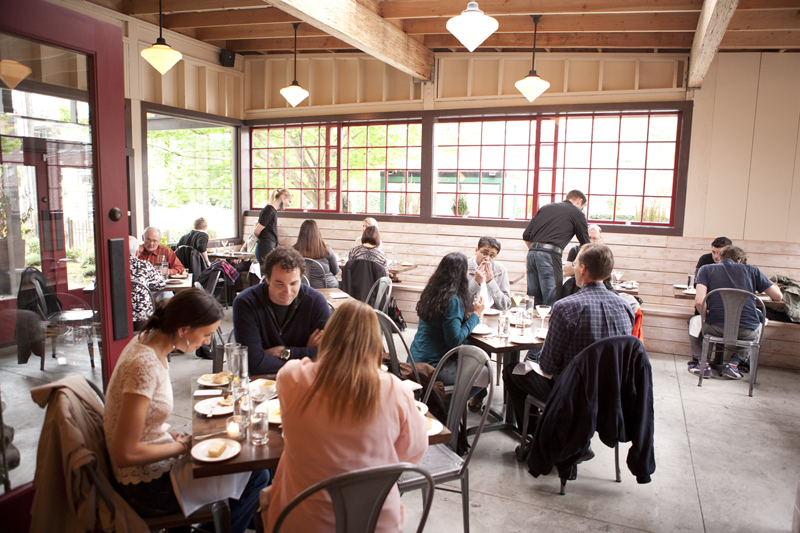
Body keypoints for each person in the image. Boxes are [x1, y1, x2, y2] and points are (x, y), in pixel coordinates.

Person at [103, 289, 269, 533]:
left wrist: (171, 438)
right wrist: (184, 447)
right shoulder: (143, 365)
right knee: (258, 476)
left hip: (155, 466)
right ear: (183, 330)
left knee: (237, 456)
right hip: (146, 490)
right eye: (206, 335)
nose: (206, 342)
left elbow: (145, 423)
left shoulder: (147, 341)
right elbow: (124, 454)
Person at [260, 300, 428, 532]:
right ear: (374, 345)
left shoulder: (292, 377)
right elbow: (412, 453)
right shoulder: (395, 390)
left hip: (301, 521)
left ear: (329, 335)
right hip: (374, 522)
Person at [503, 243, 634, 445]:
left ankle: (538, 438)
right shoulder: (626, 306)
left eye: (575, 263)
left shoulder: (566, 307)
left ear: (582, 269)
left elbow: (548, 365)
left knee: (512, 371)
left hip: (573, 393)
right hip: (612, 393)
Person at [233, 246, 331, 375]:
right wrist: (306, 354)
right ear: (267, 278)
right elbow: (253, 363)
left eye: (294, 283)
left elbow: (330, 354)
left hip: (304, 381)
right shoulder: (246, 302)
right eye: (279, 283)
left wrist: (285, 352)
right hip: (259, 384)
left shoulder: (315, 301)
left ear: (301, 278)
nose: (287, 291)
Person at [688, 245, 782, 380]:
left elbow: (699, 302)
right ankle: (733, 364)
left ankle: (702, 364)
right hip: (746, 332)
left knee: (694, 322)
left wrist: (705, 318)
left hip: (715, 328)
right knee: (760, 324)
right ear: (740, 260)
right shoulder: (752, 270)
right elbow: (778, 296)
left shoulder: (706, 269)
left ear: (720, 258)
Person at [410, 252, 488, 394]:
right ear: (461, 275)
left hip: (414, 359)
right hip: (433, 366)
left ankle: (438, 402)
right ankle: (447, 411)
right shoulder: (452, 300)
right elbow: (454, 340)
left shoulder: (431, 291)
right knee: (485, 372)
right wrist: (476, 314)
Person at [523, 190, 591, 307]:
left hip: (531, 253)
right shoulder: (577, 213)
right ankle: (550, 324)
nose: (582, 210)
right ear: (580, 201)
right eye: (583, 207)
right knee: (552, 300)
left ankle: (533, 323)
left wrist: (537, 252)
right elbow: (586, 244)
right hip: (550, 255)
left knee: (533, 299)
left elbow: (526, 236)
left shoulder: (546, 207)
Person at [128, 236, 165, 328]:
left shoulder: (108, 266)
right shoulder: (144, 265)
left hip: (113, 319)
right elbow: (161, 284)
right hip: (142, 319)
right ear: (137, 252)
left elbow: (97, 286)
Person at [254, 188, 293, 275]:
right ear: (282, 197)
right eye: (289, 201)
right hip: (265, 247)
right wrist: (265, 239)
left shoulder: (272, 210)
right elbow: (256, 231)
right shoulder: (270, 210)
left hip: (266, 246)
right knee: (268, 277)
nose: (289, 205)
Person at [467, 236, 511, 311]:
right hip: (468, 315)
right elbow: (457, 301)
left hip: (493, 316)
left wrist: (491, 282)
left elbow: (506, 305)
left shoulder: (501, 270)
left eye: (491, 255)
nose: (487, 258)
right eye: (485, 253)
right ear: (476, 250)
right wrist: (475, 282)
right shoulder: (465, 267)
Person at [294, 219, 340, 289]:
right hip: (327, 287)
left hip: (303, 288)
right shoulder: (326, 249)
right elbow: (335, 271)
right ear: (317, 233)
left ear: (300, 234)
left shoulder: (293, 251)